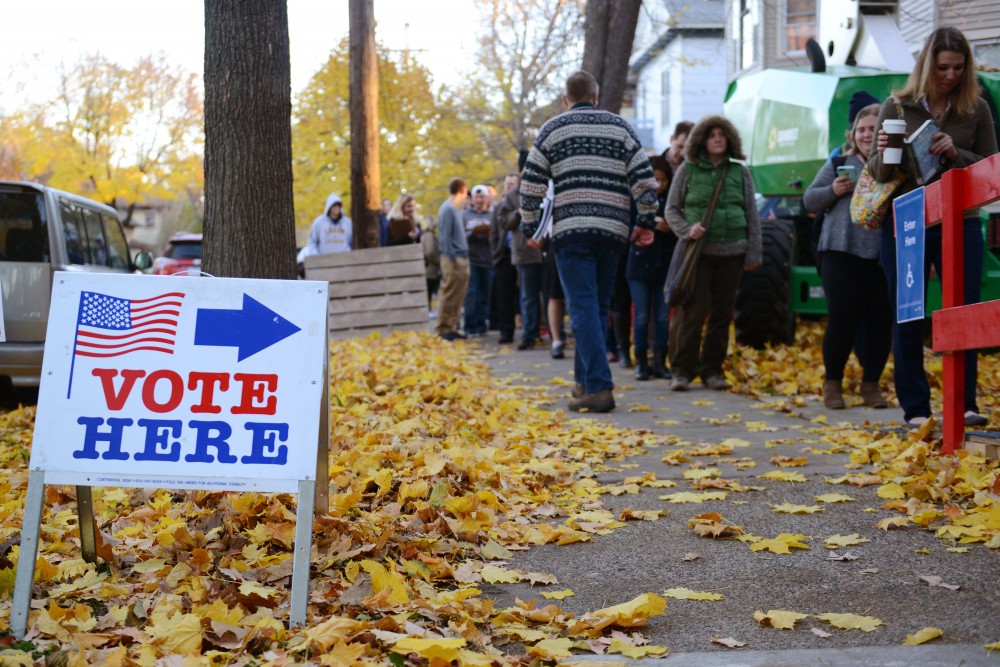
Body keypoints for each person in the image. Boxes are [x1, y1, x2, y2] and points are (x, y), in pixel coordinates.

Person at [868, 27, 997, 428]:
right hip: (907, 223)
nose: (951, 75)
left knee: (964, 312)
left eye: (959, 67)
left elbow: (991, 167)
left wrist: (954, 151)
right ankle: (916, 409)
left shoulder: (976, 107)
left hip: (962, 220)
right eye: (943, 67)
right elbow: (876, 171)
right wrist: (893, 145)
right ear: (927, 65)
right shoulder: (897, 105)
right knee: (908, 314)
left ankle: (965, 404)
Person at [520, 70, 659, 413]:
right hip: (613, 233)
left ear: (566, 99)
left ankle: (599, 387)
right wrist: (643, 222)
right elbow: (645, 181)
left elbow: (530, 186)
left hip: (571, 232)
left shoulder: (553, 129)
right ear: (596, 96)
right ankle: (583, 384)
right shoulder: (621, 128)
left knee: (581, 308)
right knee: (596, 308)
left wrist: (531, 229)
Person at [804, 103, 892, 410]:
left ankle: (871, 385)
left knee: (881, 322)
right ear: (853, 134)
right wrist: (833, 189)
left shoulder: (896, 164)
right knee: (842, 318)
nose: (867, 134)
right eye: (862, 129)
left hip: (882, 254)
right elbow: (809, 200)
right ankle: (833, 384)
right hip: (840, 250)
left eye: (873, 128)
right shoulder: (839, 162)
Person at [665, 115, 762, 391]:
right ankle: (682, 371)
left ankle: (712, 371)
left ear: (730, 138)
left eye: (722, 134)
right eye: (712, 135)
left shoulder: (740, 171)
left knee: (722, 314)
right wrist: (686, 229)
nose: (718, 138)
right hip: (699, 254)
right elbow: (671, 209)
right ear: (702, 140)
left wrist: (755, 253)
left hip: (733, 253)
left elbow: (752, 215)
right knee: (693, 313)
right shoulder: (688, 169)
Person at [627, 155, 676, 381]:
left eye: (663, 180)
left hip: (664, 265)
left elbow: (678, 225)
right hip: (639, 264)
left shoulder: (672, 201)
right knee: (642, 315)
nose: (658, 185)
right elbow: (629, 226)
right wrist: (654, 223)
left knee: (662, 316)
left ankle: (660, 361)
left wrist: (669, 227)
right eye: (654, 180)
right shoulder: (635, 199)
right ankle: (641, 362)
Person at [499, 155, 546, 351]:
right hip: (524, 252)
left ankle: (550, 332)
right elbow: (503, 222)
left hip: (546, 251)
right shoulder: (511, 196)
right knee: (528, 296)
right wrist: (517, 213)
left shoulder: (545, 190)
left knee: (550, 296)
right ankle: (529, 335)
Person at [436, 178, 472, 341]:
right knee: (450, 292)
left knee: (459, 294)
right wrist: (452, 258)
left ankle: (452, 325)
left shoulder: (453, 209)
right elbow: (444, 236)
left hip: (461, 255)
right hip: (453, 258)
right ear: (462, 190)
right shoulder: (447, 209)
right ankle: (443, 328)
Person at [490, 174, 521, 344]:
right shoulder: (498, 208)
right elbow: (493, 233)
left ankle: (531, 330)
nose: (510, 186)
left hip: (524, 254)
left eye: (513, 184)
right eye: (507, 184)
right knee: (504, 296)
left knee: (526, 294)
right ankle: (506, 331)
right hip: (504, 255)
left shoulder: (523, 204)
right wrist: (495, 252)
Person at [463, 184, 495, 336]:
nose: (480, 200)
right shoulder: (464, 215)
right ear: (472, 199)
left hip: (488, 259)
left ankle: (481, 325)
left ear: (487, 198)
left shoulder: (492, 215)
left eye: (482, 197)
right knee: (472, 293)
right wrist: (472, 233)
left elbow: (498, 235)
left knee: (485, 294)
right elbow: (460, 236)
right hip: (472, 259)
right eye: (477, 197)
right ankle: (470, 325)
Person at [421, 215, 441, 316]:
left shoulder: (426, 235)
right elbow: (430, 251)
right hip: (430, 268)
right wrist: (438, 261)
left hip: (429, 267)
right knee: (429, 290)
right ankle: (428, 311)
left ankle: (429, 310)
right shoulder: (429, 235)